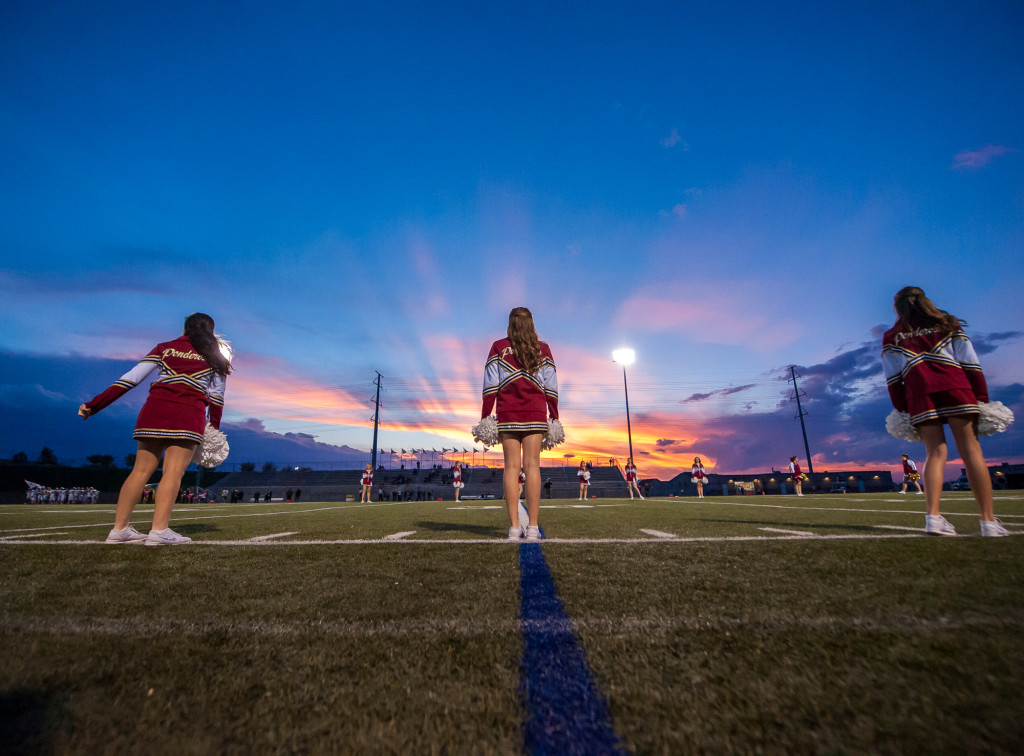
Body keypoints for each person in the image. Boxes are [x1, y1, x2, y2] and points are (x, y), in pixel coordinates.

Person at [79, 313, 231, 546]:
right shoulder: (215, 357)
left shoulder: (164, 348)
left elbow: (130, 379)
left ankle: (119, 529)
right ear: (211, 331)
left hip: (153, 411)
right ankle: (159, 531)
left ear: (184, 329)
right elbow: (217, 400)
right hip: (187, 415)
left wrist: (95, 404)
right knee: (173, 472)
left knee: (139, 471)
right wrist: (214, 431)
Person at [882, 286, 1007, 536]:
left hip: (920, 396)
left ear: (897, 307)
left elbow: (893, 379)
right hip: (957, 388)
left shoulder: (893, 335)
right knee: (971, 450)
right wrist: (981, 398)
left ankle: (933, 518)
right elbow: (970, 362)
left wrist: (903, 408)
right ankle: (988, 522)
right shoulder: (947, 323)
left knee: (935, 453)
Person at [481, 307, 558, 540]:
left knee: (511, 467)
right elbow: (551, 387)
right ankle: (533, 527)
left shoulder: (498, 347)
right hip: (535, 412)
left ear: (511, 323)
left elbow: (490, 386)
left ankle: (515, 527)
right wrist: (554, 416)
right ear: (531, 323)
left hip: (508, 413)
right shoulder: (543, 349)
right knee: (533, 466)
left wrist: (486, 416)